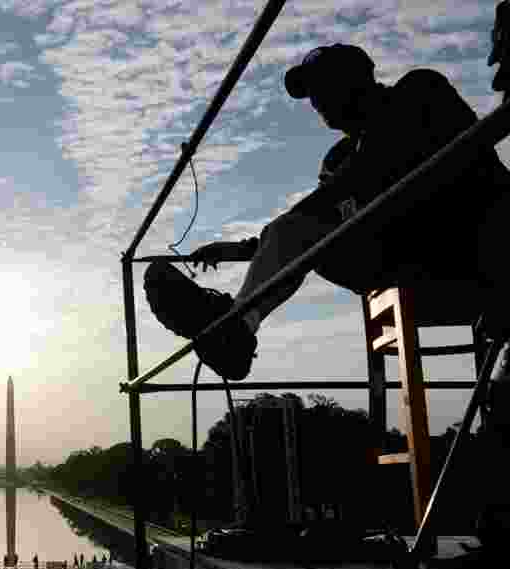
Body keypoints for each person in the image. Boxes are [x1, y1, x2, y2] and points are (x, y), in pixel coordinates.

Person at [144, 44, 510, 382]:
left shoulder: (419, 92)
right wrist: (241, 250)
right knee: (310, 234)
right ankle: (239, 327)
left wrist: (291, 223)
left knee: (311, 226)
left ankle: (236, 325)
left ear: (357, 79)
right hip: (407, 261)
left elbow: (371, 166)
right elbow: (316, 223)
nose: (315, 102)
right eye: (311, 94)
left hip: (476, 244)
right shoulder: (338, 160)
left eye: (323, 87)